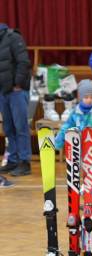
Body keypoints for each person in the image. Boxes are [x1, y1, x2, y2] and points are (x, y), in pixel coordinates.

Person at [0, 22, 32, 180]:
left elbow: (24, 62)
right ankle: (12, 160)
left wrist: (18, 84)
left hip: (16, 91)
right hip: (3, 91)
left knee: (21, 127)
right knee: (8, 127)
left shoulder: (13, 37)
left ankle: (24, 162)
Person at [53, 80, 92, 150]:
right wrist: (58, 142)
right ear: (81, 97)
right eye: (86, 97)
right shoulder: (76, 112)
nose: (89, 100)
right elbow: (66, 127)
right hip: (80, 148)